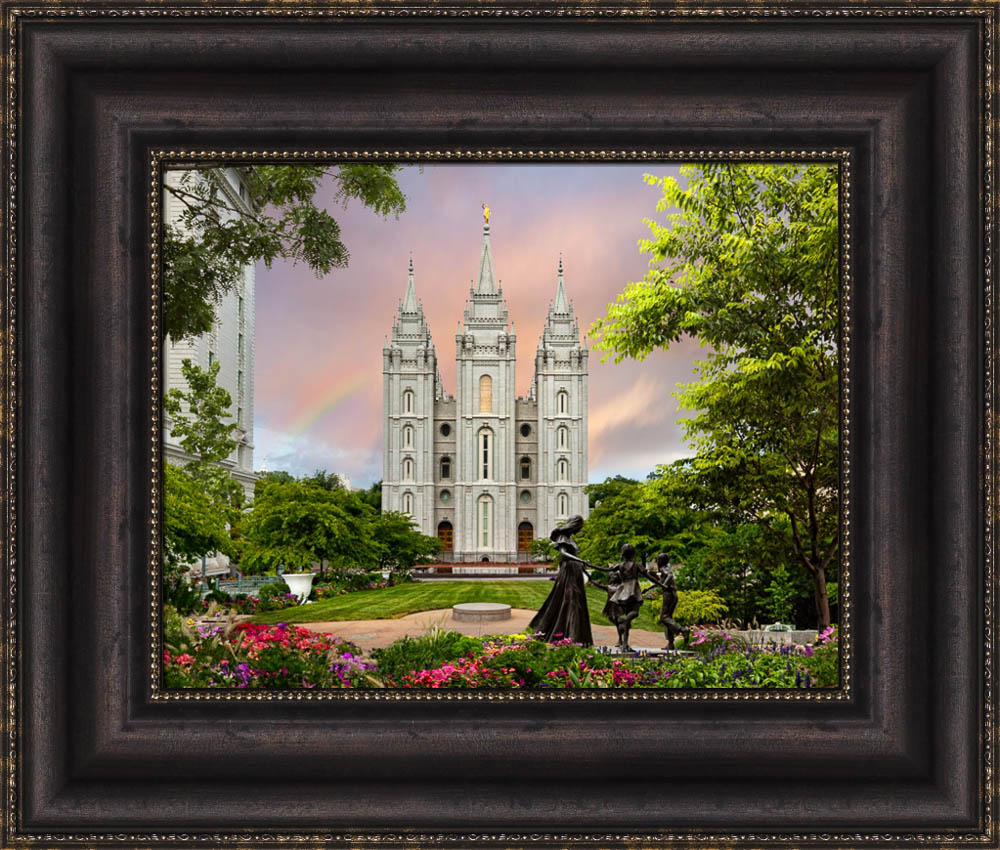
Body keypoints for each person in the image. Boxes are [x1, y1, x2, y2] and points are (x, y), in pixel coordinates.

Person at [528, 515, 593, 645]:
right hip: (568, 571)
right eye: (579, 527)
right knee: (571, 600)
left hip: (575, 571)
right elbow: (563, 554)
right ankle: (571, 636)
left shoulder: (571, 539)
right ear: (574, 525)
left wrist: (582, 564)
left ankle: (576, 635)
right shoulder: (563, 537)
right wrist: (579, 560)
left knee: (576, 601)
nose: (580, 530)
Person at [589, 543, 645, 651]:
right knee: (634, 613)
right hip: (633, 590)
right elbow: (648, 576)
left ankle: (624, 644)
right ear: (633, 553)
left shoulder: (620, 565)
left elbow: (605, 569)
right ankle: (625, 622)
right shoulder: (637, 565)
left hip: (623, 592)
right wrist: (661, 584)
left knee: (629, 618)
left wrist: (590, 566)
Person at [643, 553, 691, 650]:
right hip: (672, 594)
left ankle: (682, 630)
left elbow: (669, 576)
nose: (657, 562)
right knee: (668, 619)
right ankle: (670, 643)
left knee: (664, 617)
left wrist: (664, 585)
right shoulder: (664, 569)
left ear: (661, 561)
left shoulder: (663, 569)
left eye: (658, 560)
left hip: (669, 595)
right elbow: (661, 581)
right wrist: (648, 588)